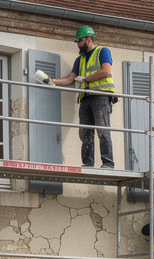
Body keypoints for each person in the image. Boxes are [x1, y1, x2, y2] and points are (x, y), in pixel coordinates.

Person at [48, 25, 115, 169]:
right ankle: (88, 164)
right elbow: (71, 79)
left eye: (80, 41)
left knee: (103, 131)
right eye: (77, 41)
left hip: (100, 96)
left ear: (89, 39)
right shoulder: (80, 59)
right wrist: (52, 81)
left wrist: (85, 79)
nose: (78, 44)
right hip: (85, 98)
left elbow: (106, 70)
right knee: (85, 133)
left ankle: (108, 163)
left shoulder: (102, 51)